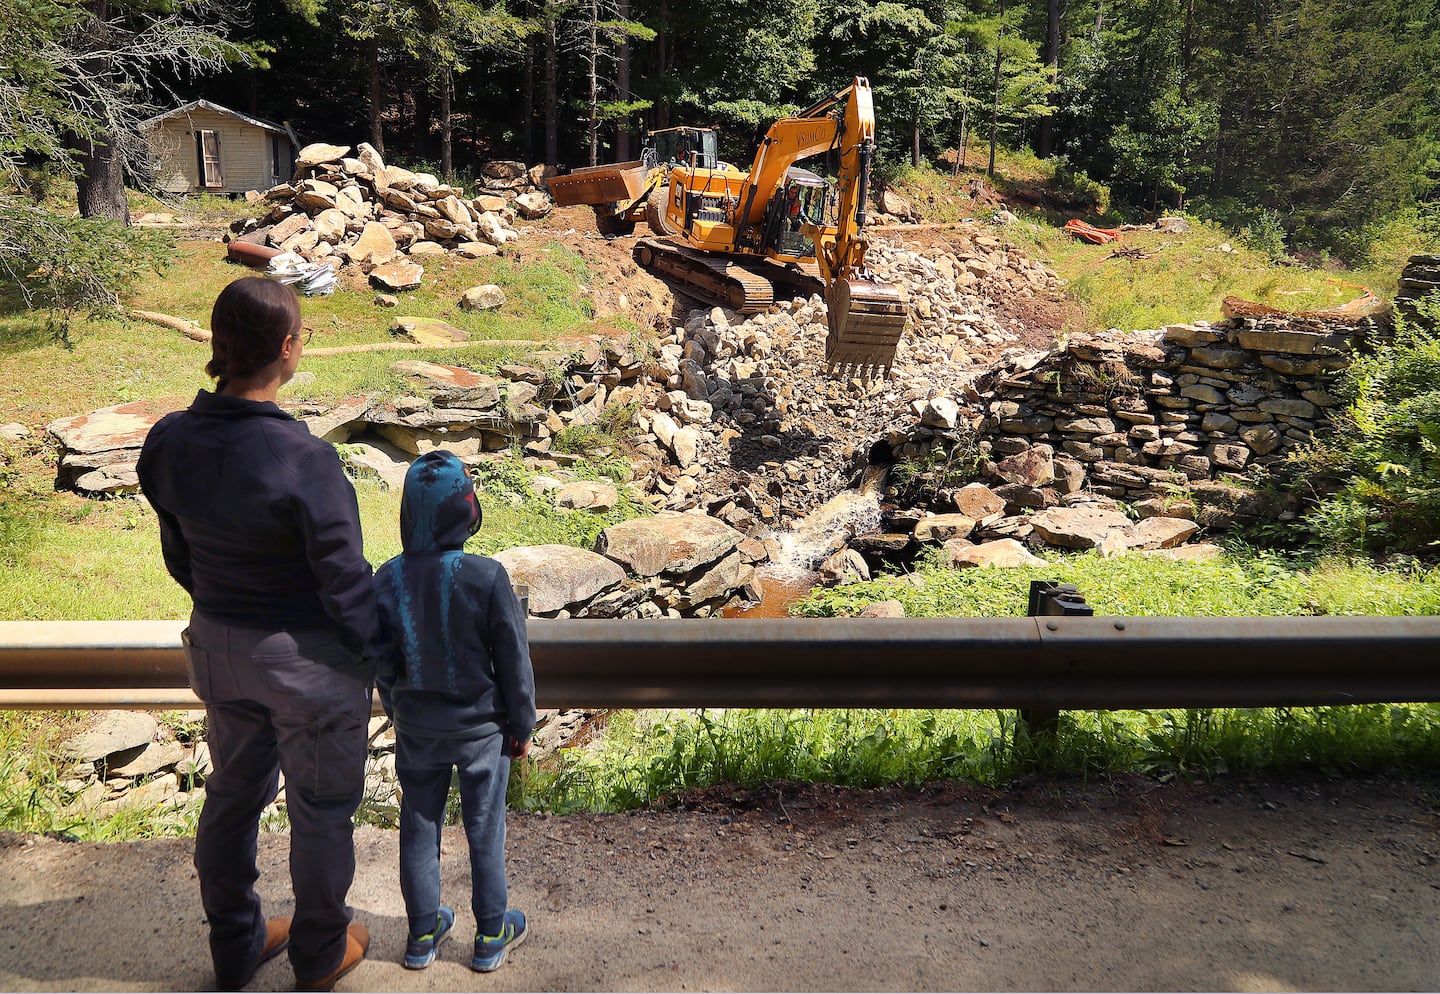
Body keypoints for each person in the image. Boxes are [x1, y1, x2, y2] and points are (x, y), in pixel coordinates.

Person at [135, 276, 376, 992]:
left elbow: (177, 550)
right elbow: (344, 584)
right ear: (290, 348)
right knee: (321, 811)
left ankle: (236, 945)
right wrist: (385, 654)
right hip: (305, 666)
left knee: (232, 796)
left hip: (216, 646)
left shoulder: (168, 440)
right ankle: (319, 953)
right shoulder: (307, 461)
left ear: (218, 346)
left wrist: (216, 606)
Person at [372, 449, 536, 973]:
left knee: (419, 824)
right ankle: (491, 932)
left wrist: (396, 706)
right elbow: (513, 659)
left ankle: (421, 932)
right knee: (484, 828)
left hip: (418, 728)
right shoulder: (486, 578)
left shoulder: (387, 579)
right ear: (465, 510)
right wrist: (522, 723)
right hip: (482, 731)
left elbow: (382, 659)